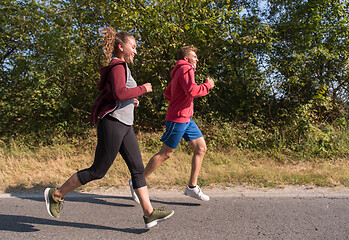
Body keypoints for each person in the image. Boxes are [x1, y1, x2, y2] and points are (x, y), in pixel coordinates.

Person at [44, 27, 174, 228]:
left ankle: (149, 213)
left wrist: (132, 100)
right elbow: (120, 93)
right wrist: (143, 89)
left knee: (138, 170)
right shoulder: (117, 66)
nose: (136, 51)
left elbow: (119, 94)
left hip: (125, 124)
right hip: (113, 123)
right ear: (121, 47)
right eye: (134, 47)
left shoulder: (123, 67)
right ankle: (57, 194)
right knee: (98, 171)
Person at [129, 46, 214, 204]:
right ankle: (136, 182)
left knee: (201, 148)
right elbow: (193, 91)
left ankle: (192, 187)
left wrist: (178, 104)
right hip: (178, 119)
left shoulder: (178, 72)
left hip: (186, 118)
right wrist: (207, 86)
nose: (197, 59)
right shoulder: (187, 68)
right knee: (165, 154)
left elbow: (168, 93)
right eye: (194, 56)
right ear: (186, 58)